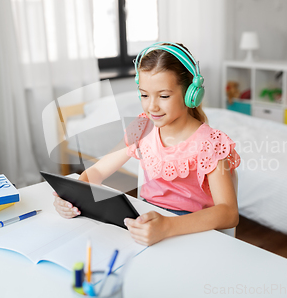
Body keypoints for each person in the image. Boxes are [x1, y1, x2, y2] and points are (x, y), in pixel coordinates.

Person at [53, 42, 241, 246]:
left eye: (164, 96)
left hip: (191, 232)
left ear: (190, 94)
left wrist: (167, 226)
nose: (152, 106)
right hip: (148, 224)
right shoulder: (142, 127)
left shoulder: (210, 142)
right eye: (144, 95)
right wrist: (73, 195)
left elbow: (229, 213)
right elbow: (97, 171)